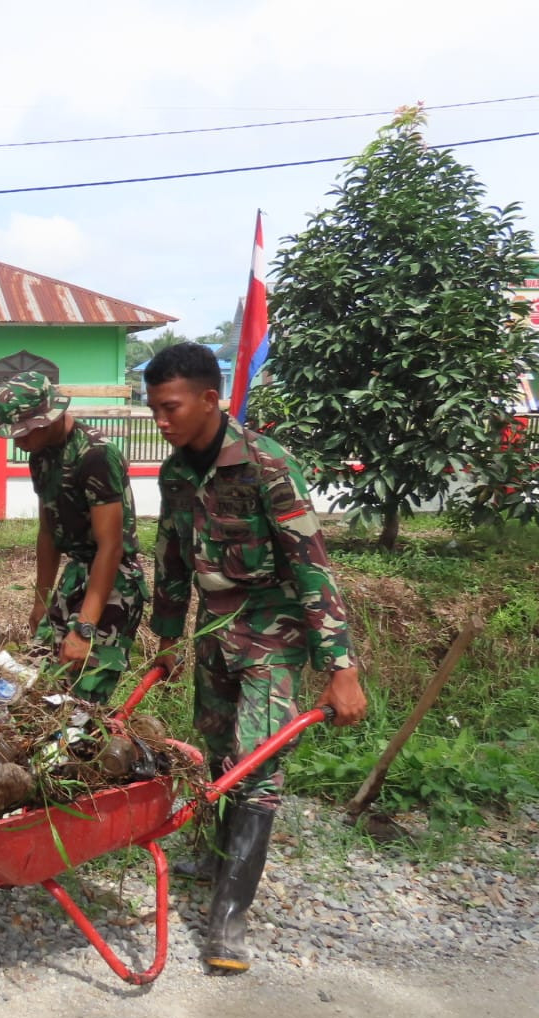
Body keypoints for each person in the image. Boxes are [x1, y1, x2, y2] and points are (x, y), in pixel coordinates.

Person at [144, 342, 367, 975]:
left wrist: (340, 666)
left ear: (210, 399)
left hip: (272, 629)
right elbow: (170, 557)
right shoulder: (175, 471)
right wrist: (166, 639)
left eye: (171, 408)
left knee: (257, 761)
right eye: (154, 409)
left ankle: (228, 922)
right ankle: (217, 857)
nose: (162, 421)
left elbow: (310, 562)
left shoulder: (268, 464)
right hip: (213, 627)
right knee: (215, 750)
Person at [0, 371, 148, 704]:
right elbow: (48, 532)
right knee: (38, 682)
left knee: (81, 696)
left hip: (113, 580)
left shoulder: (95, 455)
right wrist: (41, 599)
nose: (17, 442)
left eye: (23, 433)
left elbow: (112, 546)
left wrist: (85, 628)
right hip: (75, 574)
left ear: (50, 419)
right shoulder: (41, 456)